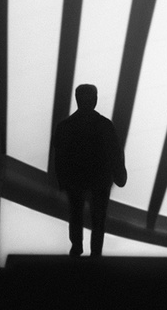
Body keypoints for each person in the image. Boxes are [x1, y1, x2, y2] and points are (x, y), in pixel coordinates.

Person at [52, 84, 127, 257]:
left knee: (76, 214)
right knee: (98, 218)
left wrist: (62, 181)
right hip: (100, 180)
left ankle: (76, 247)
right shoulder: (105, 125)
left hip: (75, 179)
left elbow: (59, 157)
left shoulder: (65, 126)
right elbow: (115, 153)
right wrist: (119, 174)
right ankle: (95, 253)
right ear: (95, 100)